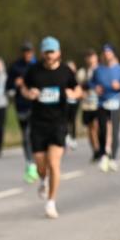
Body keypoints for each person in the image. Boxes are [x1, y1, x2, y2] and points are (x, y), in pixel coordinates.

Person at [21, 36, 80, 219]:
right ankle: (43, 180)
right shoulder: (34, 71)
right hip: (38, 123)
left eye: (52, 52)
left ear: (59, 53)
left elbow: (78, 89)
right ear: (42, 53)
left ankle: (51, 202)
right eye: (46, 52)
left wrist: (73, 93)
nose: (49, 55)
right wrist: (28, 93)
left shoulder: (66, 72)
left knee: (54, 163)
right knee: (41, 165)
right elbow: (23, 87)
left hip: (58, 123)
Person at [92, 43, 120, 172]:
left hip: (116, 103)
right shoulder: (98, 70)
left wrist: (119, 86)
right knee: (102, 129)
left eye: (109, 51)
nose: (106, 54)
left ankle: (113, 158)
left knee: (114, 131)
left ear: (113, 53)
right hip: (102, 103)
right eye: (104, 52)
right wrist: (95, 88)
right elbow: (91, 82)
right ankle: (104, 155)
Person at [6, 41, 39, 182]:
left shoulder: (38, 66)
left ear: (33, 52)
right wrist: (15, 84)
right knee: (25, 136)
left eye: (30, 51)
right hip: (21, 105)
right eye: (25, 51)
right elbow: (7, 87)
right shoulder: (15, 66)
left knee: (31, 134)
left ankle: (34, 163)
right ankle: (30, 161)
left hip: (36, 105)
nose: (28, 54)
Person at [79, 50, 101, 161]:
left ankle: (101, 148)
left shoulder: (101, 70)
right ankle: (95, 150)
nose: (90, 59)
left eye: (92, 56)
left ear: (96, 58)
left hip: (98, 104)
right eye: (88, 57)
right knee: (90, 129)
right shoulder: (82, 72)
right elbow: (78, 86)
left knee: (97, 126)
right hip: (87, 104)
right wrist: (81, 93)